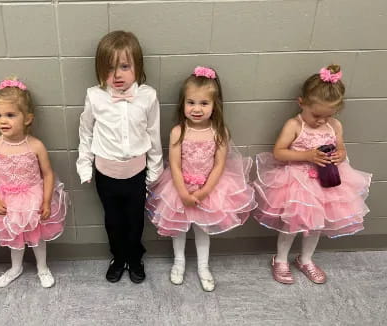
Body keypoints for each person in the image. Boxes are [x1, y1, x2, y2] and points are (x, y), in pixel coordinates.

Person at [253, 65, 371, 284]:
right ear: (302, 103)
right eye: (316, 115)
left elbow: (342, 149)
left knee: (317, 224)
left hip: (327, 183)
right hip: (297, 182)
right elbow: (278, 152)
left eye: (328, 116)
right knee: (291, 224)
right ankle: (280, 259)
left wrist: (339, 156)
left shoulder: (334, 125)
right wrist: (307, 155)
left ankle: (306, 259)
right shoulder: (294, 125)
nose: (321, 121)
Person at [146, 67, 256, 291]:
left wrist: (204, 191)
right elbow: (174, 165)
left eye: (204, 103)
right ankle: (179, 262)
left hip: (209, 188)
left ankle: (203, 266)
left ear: (215, 105)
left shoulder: (219, 131)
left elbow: (219, 165)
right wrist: (184, 193)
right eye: (191, 102)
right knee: (178, 228)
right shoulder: (178, 131)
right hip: (179, 188)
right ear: (183, 103)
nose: (197, 109)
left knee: (203, 229)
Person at [77, 31, 163, 283]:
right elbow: (86, 132)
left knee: (135, 222)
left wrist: (155, 170)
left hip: (137, 174)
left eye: (124, 66)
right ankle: (118, 256)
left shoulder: (148, 96)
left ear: (138, 66)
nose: (117, 75)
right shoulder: (95, 96)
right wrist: (84, 166)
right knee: (113, 222)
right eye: (110, 67)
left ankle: (135, 257)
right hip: (106, 174)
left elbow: (154, 134)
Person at [0, 78, 68, 288]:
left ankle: (42, 267)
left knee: (37, 236)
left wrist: (46, 202)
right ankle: (15, 267)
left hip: (33, 197)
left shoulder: (36, 145)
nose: (3, 120)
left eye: (10, 115)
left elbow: (48, 174)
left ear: (27, 118)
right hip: (7, 199)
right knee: (14, 236)